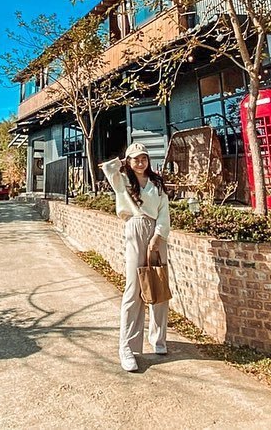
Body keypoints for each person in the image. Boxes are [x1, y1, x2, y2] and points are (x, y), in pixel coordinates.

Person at [100, 141, 170, 372]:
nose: (141, 162)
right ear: (129, 161)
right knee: (134, 289)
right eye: (135, 158)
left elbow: (164, 211)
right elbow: (107, 168)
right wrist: (123, 161)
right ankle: (127, 347)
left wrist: (158, 236)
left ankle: (158, 339)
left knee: (158, 285)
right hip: (135, 227)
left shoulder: (157, 183)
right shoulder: (123, 181)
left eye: (144, 158)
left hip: (157, 234)